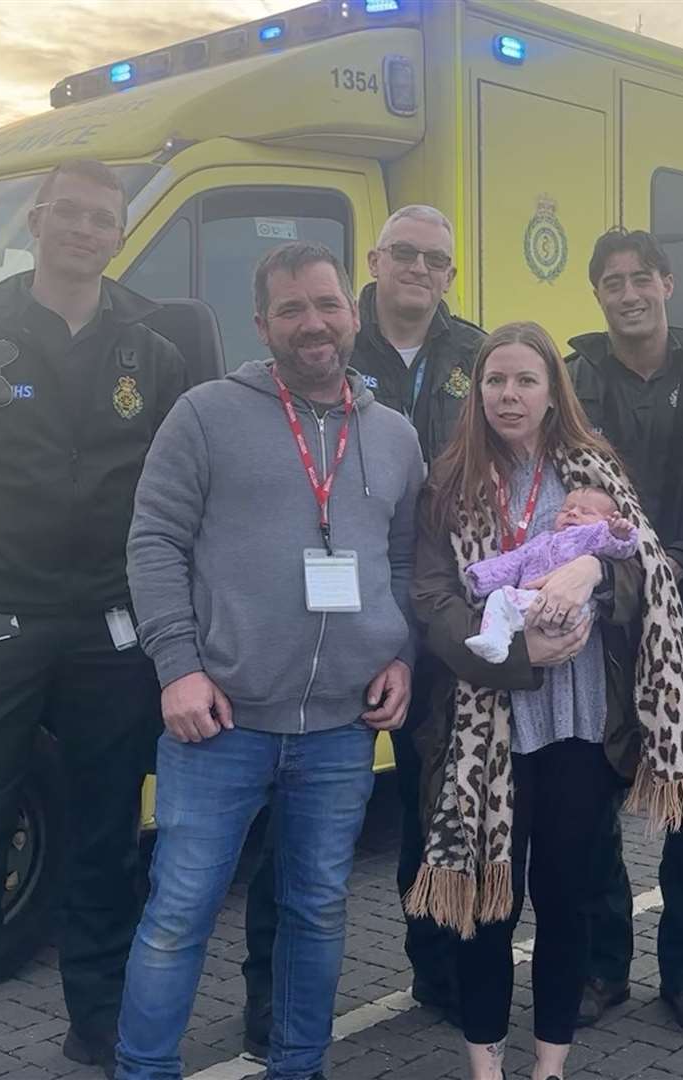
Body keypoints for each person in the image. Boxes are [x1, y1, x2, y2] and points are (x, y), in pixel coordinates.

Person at [0, 158, 187, 1080]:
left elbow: (176, 495)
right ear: (36, 218)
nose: (84, 229)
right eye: (70, 212)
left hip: (111, 634)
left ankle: (99, 1030)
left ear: (120, 233)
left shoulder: (153, 348)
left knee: (105, 847)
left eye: (103, 217)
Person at [116, 242, 425, 1080]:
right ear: (263, 324)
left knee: (318, 911)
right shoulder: (207, 414)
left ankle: (299, 1066)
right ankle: (142, 1071)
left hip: (339, 730)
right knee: (180, 913)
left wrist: (399, 652)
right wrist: (176, 665)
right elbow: (153, 544)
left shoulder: (393, 436)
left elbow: (402, 561)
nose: (312, 324)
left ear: (352, 313)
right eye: (290, 309)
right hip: (219, 722)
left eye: (325, 304)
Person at [407, 321, 683, 1080]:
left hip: (581, 730)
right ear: (477, 391)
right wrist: (519, 655)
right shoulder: (448, 480)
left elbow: (643, 563)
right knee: (489, 909)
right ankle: (485, 1069)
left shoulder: (593, 470)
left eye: (526, 380)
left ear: (554, 392)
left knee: (565, 903)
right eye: (496, 381)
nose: (509, 396)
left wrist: (590, 574)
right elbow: (431, 598)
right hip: (486, 730)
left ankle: (548, 1067)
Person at [240, 205, 485, 1051]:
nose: (419, 268)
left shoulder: (478, 353)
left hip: (447, 608)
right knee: (296, 815)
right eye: (404, 253)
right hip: (335, 616)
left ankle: (438, 967)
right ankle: (268, 994)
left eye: (437, 258)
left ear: (451, 274)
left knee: (435, 800)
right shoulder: (328, 344)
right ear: (372, 264)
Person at [565, 228, 683, 1033]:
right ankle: (603, 968)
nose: (628, 293)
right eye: (612, 282)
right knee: (592, 804)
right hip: (597, 627)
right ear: (597, 294)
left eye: (642, 278)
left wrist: (670, 565)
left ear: (668, 283)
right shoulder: (571, 384)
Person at [464, 488, 639, 663]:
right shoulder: (543, 541)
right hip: (532, 602)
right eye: (566, 509)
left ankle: (497, 641)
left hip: (574, 610)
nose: (573, 513)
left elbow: (619, 550)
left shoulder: (593, 537)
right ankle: (496, 642)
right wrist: (482, 575)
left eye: (586, 512)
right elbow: (514, 561)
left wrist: (619, 534)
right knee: (499, 598)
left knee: (502, 602)